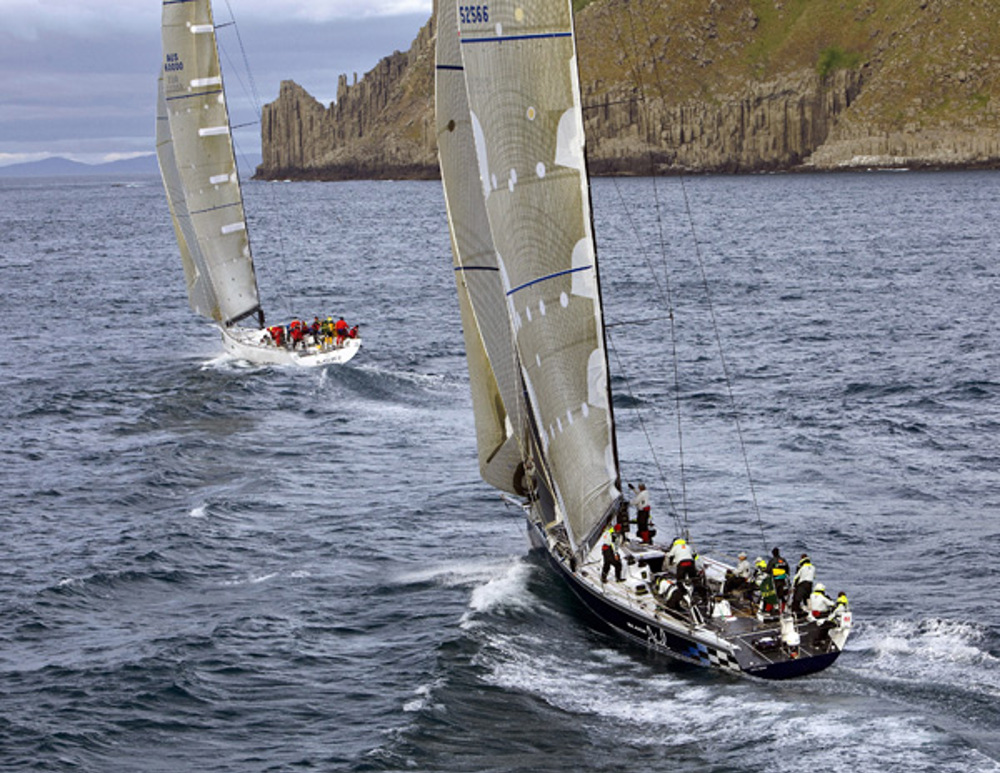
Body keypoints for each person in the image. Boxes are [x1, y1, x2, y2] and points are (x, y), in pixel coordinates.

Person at [791, 553, 815, 618]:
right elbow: (814, 576)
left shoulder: (802, 567)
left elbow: (796, 577)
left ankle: (795, 613)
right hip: (810, 584)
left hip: (802, 584)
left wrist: (793, 586)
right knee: (807, 598)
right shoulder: (813, 567)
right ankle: (810, 611)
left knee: (797, 599)